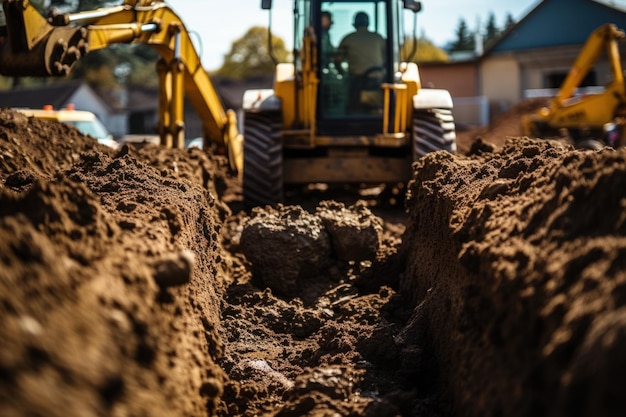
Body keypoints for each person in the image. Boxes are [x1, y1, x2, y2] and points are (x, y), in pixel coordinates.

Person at [335, 11, 386, 112]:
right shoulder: (379, 38)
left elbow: (337, 61)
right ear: (368, 23)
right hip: (378, 82)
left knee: (351, 108)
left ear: (354, 24)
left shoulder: (347, 39)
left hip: (356, 83)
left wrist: (343, 74)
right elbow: (385, 59)